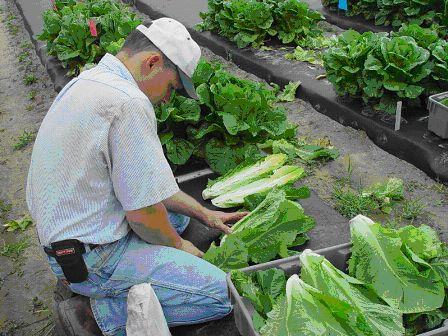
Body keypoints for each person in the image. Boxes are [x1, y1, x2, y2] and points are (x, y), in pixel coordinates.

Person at [26, 18, 247, 335]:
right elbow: (143, 214)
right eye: (172, 87)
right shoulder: (128, 103)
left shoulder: (91, 81)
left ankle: (99, 280)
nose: (170, 98)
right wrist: (180, 247)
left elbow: (150, 191)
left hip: (69, 239)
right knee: (222, 294)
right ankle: (94, 312)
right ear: (153, 62)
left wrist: (205, 214)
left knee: (180, 220)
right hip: (94, 259)